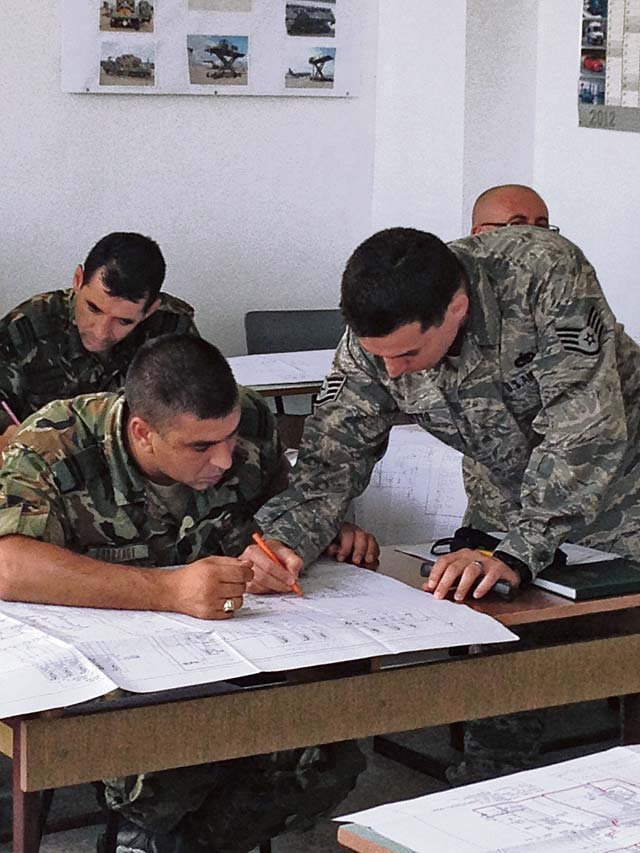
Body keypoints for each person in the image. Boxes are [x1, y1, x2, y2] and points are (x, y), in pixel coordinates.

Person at [0, 335, 371, 852]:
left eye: (230, 437)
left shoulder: (253, 421)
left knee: (323, 758)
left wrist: (297, 543)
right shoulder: (53, 444)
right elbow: (8, 564)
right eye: (200, 446)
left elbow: (284, 509)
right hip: (113, 675)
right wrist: (168, 589)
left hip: (237, 652)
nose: (223, 459)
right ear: (142, 433)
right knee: (178, 753)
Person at [257, 225, 640, 607]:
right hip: (504, 504)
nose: (391, 371)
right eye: (379, 356)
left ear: (457, 308)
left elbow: (583, 428)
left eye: (408, 354)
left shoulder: (541, 275)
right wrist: (282, 544)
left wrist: (521, 550)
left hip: (622, 494)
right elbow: (330, 462)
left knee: (612, 638)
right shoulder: (374, 338)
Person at [0, 231, 198, 455]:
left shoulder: (172, 329)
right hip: (48, 468)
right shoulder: (27, 328)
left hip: (142, 461)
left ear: (150, 310)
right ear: (78, 280)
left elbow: (195, 404)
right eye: (93, 308)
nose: (101, 332)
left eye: (124, 321)